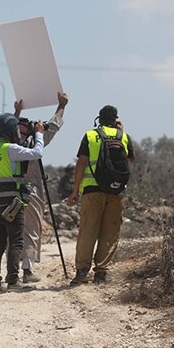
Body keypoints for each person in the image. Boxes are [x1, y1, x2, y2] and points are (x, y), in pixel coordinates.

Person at [66, 106, 135, 285]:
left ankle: (82, 272)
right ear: (115, 119)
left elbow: (81, 163)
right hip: (116, 191)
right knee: (110, 232)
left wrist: (75, 191)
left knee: (88, 230)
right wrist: (121, 131)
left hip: (92, 190)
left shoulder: (91, 135)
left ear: (99, 119)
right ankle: (101, 273)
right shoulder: (123, 136)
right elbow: (130, 159)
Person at [0, 113, 45, 295]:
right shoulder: (10, 149)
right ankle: (13, 280)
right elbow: (37, 153)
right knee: (16, 242)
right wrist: (39, 134)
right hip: (12, 202)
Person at [13, 92, 69, 282]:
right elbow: (53, 126)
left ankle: (11, 270)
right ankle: (27, 270)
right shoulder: (34, 142)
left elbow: (8, 124)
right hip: (31, 190)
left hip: (10, 189)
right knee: (31, 229)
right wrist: (62, 106)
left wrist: (16, 112)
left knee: (12, 230)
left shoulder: (9, 144)